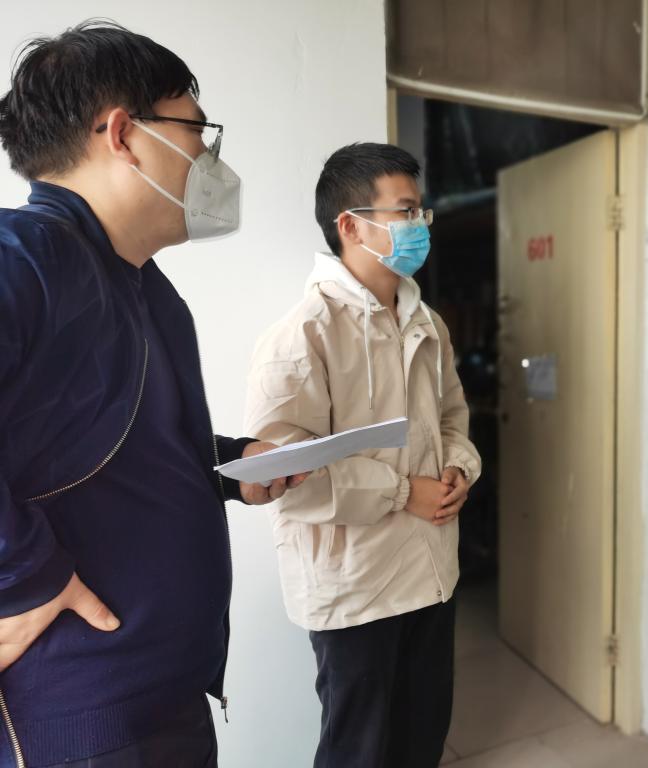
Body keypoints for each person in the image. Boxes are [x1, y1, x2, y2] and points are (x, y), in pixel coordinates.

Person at [0, 21, 305, 767]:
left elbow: (101, 444)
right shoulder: (25, 255)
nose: (207, 157)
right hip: (85, 709)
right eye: (197, 131)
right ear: (123, 134)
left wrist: (233, 464)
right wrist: (23, 577)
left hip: (165, 689)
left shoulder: (142, 286)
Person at [244, 142, 481, 768]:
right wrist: (404, 492)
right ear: (350, 225)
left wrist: (458, 467)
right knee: (359, 751)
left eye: (421, 211)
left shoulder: (427, 322)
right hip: (355, 588)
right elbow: (284, 473)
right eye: (405, 211)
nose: (419, 225)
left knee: (421, 738)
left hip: (431, 570)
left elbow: (452, 416)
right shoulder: (304, 334)